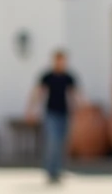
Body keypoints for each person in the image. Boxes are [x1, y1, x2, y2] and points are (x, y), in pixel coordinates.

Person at [25, 51, 78, 184]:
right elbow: (38, 93)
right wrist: (31, 110)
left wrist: (81, 110)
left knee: (61, 143)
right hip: (51, 113)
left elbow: (75, 94)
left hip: (65, 113)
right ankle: (50, 171)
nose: (61, 63)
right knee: (52, 142)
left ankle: (58, 170)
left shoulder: (68, 77)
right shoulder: (47, 76)